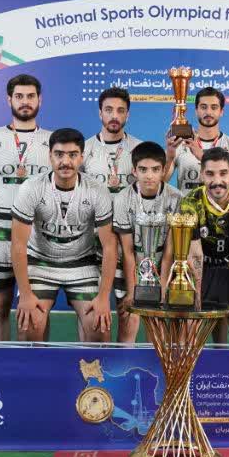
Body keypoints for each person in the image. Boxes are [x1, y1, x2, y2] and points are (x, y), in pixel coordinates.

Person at [11, 128, 116, 343]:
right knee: (30, 325)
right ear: (50, 156)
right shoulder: (31, 188)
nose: (65, 162)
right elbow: (18, 245)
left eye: (72, 155)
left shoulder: (97, 190)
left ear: (81, 157)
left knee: (98, 328)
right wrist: (26, 294)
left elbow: (109, 247)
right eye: (59, 154)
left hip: (81, 263)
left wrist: (104, 297)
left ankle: (87, 366)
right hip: (41, 262)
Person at [0, 74, 51, 341]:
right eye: (19, 96)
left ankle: (34, 363)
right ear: (9, 100)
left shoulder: (52, 140)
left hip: (37, 234)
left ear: (40, 100)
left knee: (37, 308)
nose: (25, 101)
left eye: (30, 96)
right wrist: (1, 210)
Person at [163, 147, 229, 344]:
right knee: (191, 325)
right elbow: (194, 253)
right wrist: (198, 292)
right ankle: (190, 365)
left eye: (223, 173)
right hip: (205, 268)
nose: (217, 181)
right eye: (210, 174)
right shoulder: (191, 201)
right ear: (201, 175)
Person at [112, 141, 183, 342]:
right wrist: (132, 290)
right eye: (143, 169)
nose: (149, 175)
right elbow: (127, 251)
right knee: (128, 321)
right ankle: (125, 359)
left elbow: (170, 250)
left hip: (162, 263)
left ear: (164, 170)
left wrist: (163, 286)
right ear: (134, 171)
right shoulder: (122, 198)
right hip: (131, 263)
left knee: (157, 325)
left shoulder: (175, 197)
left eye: (155, 169)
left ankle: (159, 363)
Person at [83, 87, 143, 312]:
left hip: (128, 241)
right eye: (109, 110)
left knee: (128, 309)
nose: (114, 116)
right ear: (100, 113)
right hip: (92, 242)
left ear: (128, 114)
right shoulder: (84, 149)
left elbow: (154, 185)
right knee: (92, 312)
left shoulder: (139, 149)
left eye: (120, 110)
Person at [165, 86, 229, 193]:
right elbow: (160, 183)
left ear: (221, 111)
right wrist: (169, 158)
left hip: (221, 204)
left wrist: (203, 158)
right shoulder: (179, 144)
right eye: (203, 107)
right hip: (186, 204)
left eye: (214, 107)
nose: (208, 112)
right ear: (196, 111)